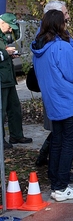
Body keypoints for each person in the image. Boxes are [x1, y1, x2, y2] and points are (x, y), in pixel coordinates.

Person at [31, 9, 73, 202]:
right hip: (68, 100)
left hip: (53, 101)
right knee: (67, 145)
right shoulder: (61, 47)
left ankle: (55, 181)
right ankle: (61, 186)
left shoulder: (39, 48)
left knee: (57, 142)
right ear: (59, 24)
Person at [0, 13, 33, 149]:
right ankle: (1, 141)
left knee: (14, 107)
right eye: (9, 27)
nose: (10, 30)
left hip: (8, 78)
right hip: (1, 80)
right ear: (2, 23)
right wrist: (5, 54)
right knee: (1, 111)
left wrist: (9, 55)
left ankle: (16, 134)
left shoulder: (3, 37)